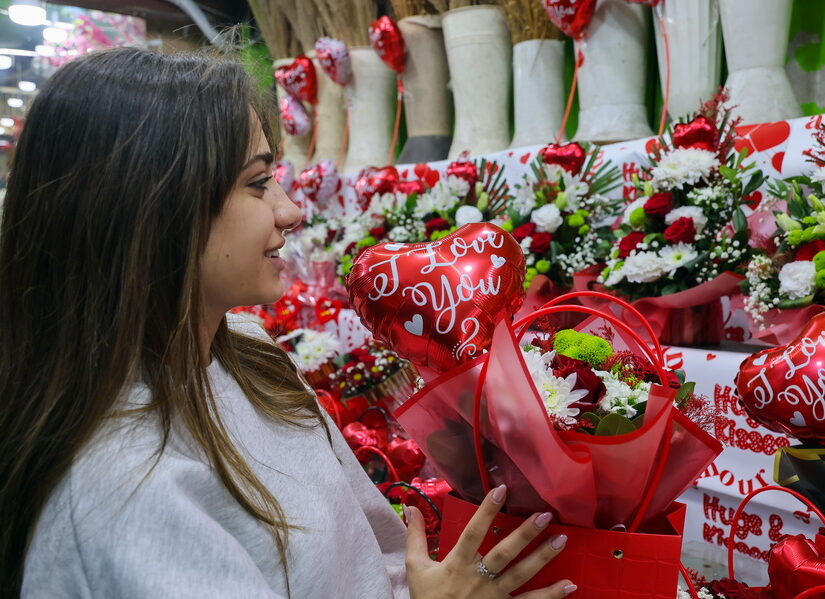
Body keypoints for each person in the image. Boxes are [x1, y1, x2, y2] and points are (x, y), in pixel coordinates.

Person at [0, 47, 577, 598]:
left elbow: (378, 554)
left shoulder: (248, 355)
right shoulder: (116, 485)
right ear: (152, 210)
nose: (290, 211)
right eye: (256, 183)